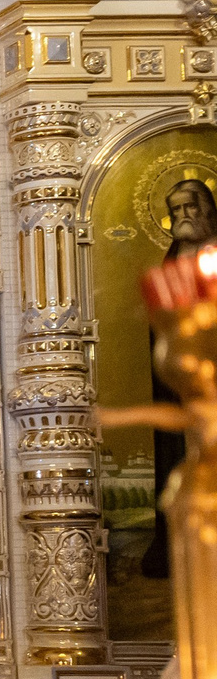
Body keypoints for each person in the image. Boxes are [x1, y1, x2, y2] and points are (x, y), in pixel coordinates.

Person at [145, 177, 217, 578]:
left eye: (191, 206)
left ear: (208, 209)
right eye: (176, 210)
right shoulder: (173, 258)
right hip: (184, 384)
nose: (183, 216)